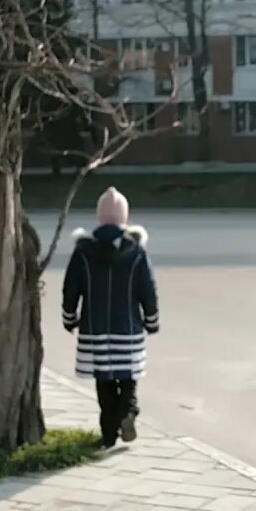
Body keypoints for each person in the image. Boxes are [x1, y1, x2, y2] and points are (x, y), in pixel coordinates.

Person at [62, 187, 159, 449]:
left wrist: (69, 317)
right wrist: (151, 320)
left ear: (99, 218)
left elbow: (71, 287)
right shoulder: (136, 251)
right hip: (128, 328)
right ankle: (128, 413)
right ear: (124, 219)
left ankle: (108, 434)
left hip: (95, 329)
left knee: (104, 383)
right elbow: (147, 289)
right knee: (128, 379)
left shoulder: (83, 251)